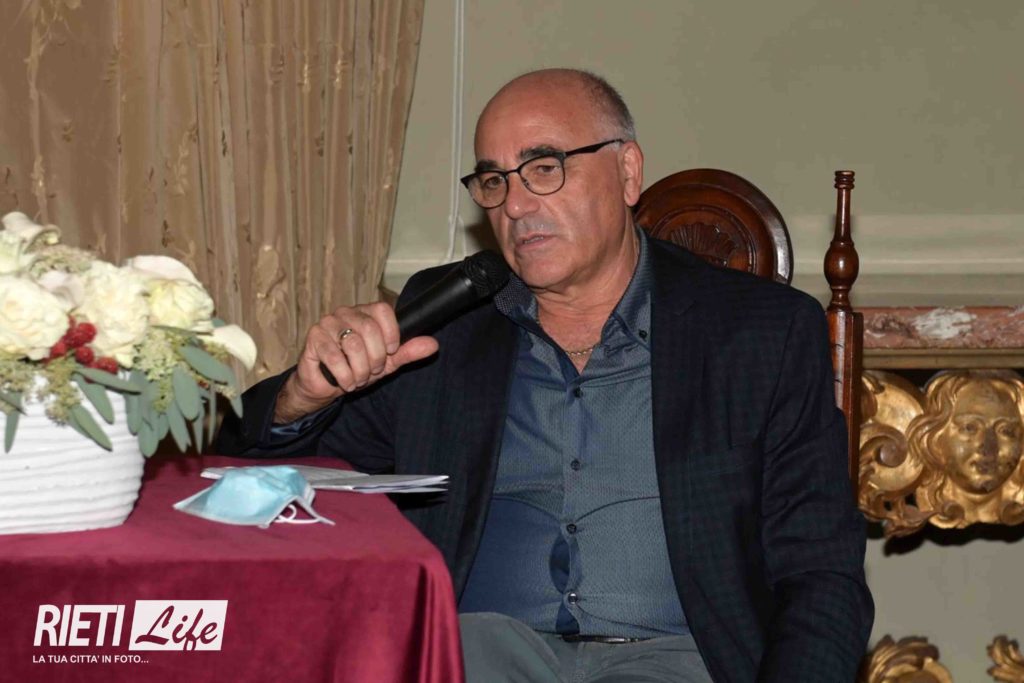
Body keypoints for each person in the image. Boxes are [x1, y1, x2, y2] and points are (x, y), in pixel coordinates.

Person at [216, 68, 874, 682]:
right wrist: (301, 398)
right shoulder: (447, 326)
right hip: (478, 652)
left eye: (544, 168)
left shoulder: (757, 333)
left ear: (627, 172)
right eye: (494, 181)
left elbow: (821, 571)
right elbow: (248, 485)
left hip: (677, 659)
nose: (515, 205)